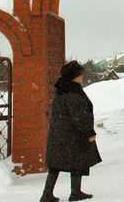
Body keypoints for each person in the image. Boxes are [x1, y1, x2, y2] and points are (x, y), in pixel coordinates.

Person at [41, 60, 102, 202]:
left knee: (55, 165)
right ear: (74, 76)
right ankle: (75, 193)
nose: (83, 77)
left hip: (58, 134)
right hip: (73, 135)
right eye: (81, 74)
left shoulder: (61, 90)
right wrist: (89, 133)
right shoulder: (74, 93)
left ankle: (47, 194)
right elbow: (80, 116)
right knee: (77, 162)